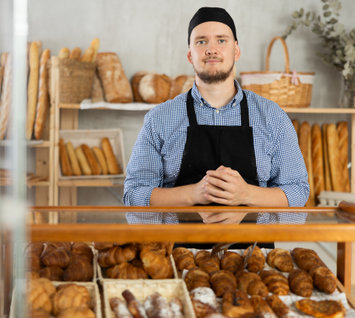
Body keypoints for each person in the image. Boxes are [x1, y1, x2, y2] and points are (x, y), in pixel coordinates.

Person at [123, 7, 309, 231]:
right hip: (177, 259)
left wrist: (246, 196)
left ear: (236, 51)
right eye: (201, 41)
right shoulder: (159, 119)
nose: (212, 49)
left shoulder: (272, 117)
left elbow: (298, 191)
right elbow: (134, 195)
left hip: (253, 260)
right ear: (190, 54)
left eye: (221, 40)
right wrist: (193, 194)